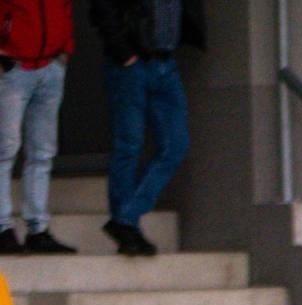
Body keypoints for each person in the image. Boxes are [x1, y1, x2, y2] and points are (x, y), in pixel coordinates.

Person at [89, 0, 205, 257]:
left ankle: (126, 218)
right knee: (129, 144)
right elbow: (101, 10)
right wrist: (123, 52)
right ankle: (128, 228)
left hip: (166, 62)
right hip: (131, 63)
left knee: (176, 145)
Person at [0, 0, 77, 255]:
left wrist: (65, 48)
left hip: (50, 67)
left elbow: (64, 7)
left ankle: (38, 229)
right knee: (5, 149)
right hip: (14, 68)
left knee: (42, 151)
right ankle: (2, 228)